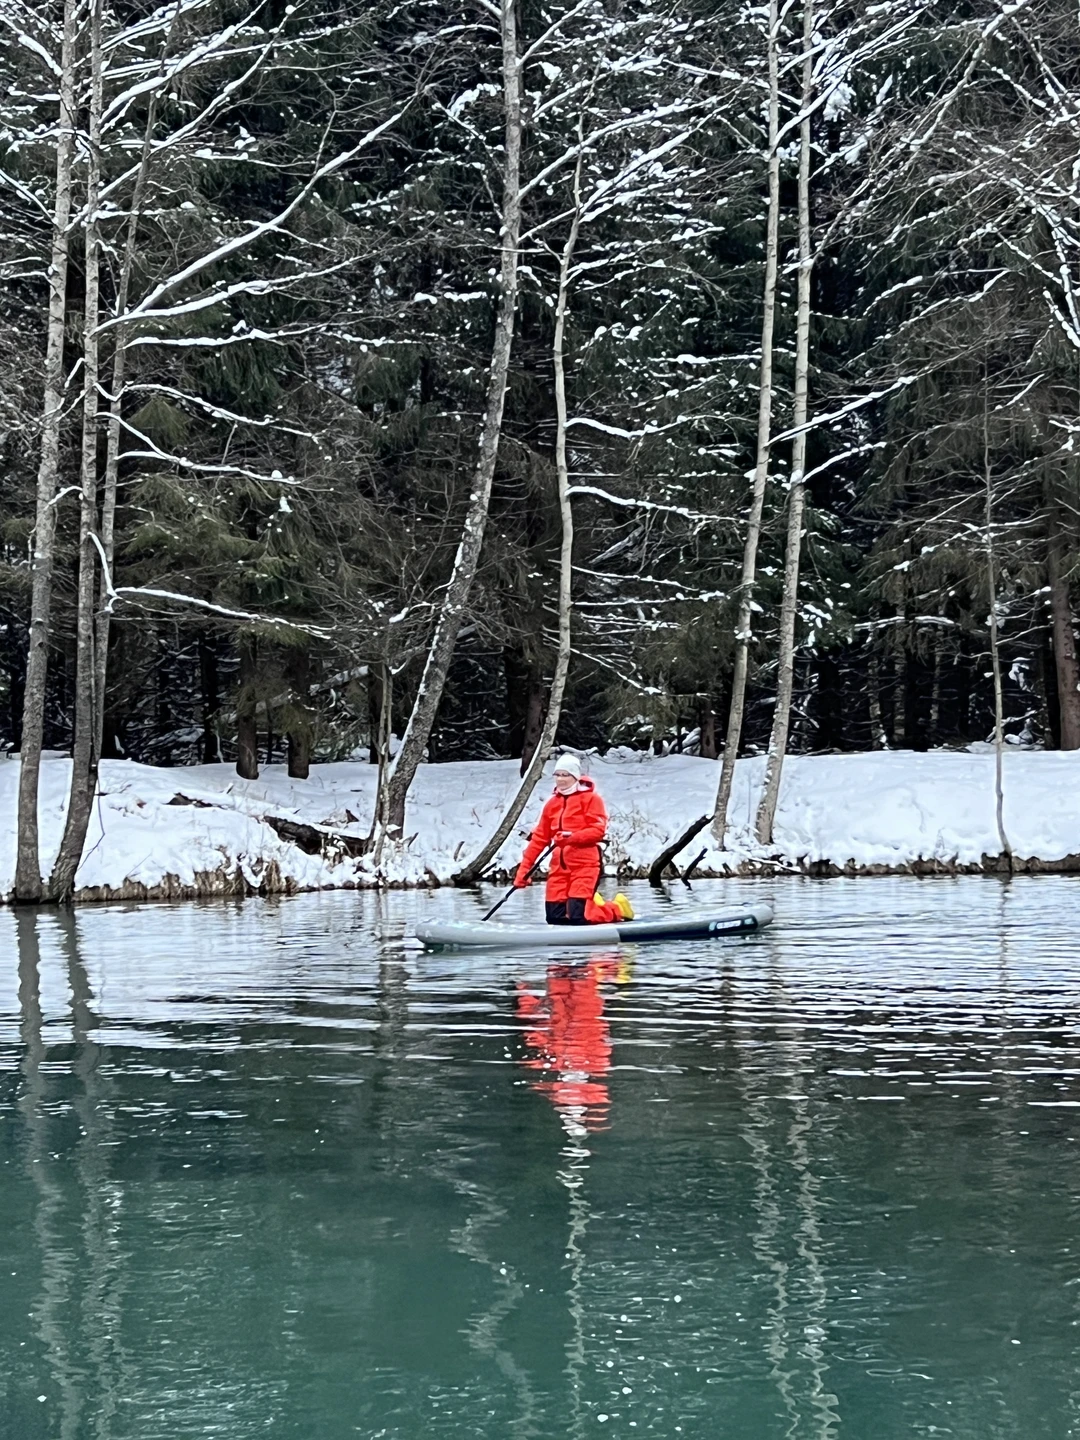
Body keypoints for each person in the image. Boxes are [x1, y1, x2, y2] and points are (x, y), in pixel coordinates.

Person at [514, 755, 634, 925]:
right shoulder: (551, 804)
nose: (560, 779)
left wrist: (572, 838)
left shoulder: (592, 799)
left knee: (579, 917)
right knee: (555, 918)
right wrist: (523, 870)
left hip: (585, 866)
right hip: (558, 869)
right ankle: (593, 903)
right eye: (558, 775)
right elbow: (539, 839)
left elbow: (597, 831)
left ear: (576, 777)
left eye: (566, 775)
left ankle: (616, 909)